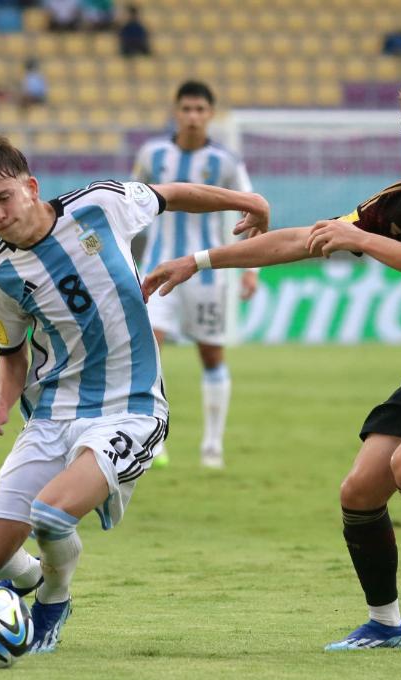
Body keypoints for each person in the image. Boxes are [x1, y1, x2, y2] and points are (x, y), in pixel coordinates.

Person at [144, 75, 401, 650]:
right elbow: (300, 241)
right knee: (360, 490)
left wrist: (361, 241)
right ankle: (385, 624)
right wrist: (201, 259)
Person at [0, 133, 269, 654]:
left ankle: (52, 602)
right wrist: (0, 404)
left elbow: (172, 194)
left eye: (3, 197)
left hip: (132, 407)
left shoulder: (100, 205)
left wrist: (249, 201)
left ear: (31, 187)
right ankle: (33, 577)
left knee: (52, 515)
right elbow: (11, 355)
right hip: (54, 411)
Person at [131, 81, 257, 469]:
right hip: (156, 271)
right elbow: (130, 205)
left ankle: (212, 446)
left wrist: (250, 269)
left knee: (211, 356)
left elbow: (251, 211)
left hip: (207, 274)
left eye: (200, 110)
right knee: (147, 353)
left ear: (210, 115)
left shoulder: (227, 162)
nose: (192, 117)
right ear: (175, 112)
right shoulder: (152, 155)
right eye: (186, 109)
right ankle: (152, 440)